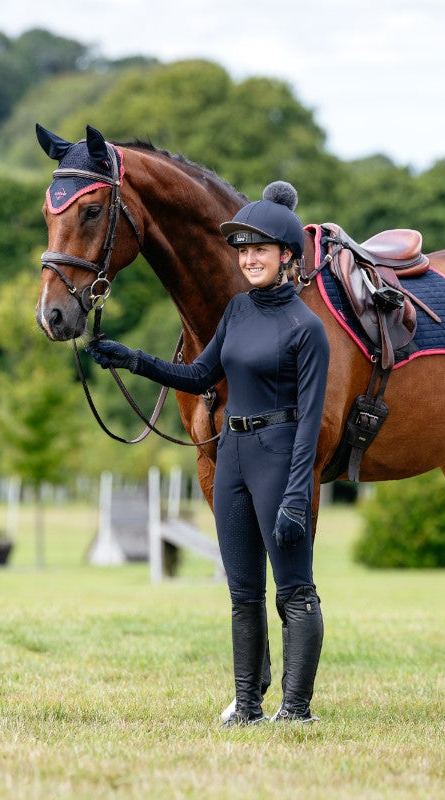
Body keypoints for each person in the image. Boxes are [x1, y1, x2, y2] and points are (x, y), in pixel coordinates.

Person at [86, 182, 330, 725]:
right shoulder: (238, 311)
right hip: (233, 457)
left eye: (260, 250)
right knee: (243, 591)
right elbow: (199, 374)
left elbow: (311, 424)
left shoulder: (307, 329)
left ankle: (296, 709)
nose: (249, 259)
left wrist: (295, 497)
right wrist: (130, 358)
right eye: (243, 251)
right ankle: (247, 704)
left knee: (295, 590)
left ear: (287, 256)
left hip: (280, 453)